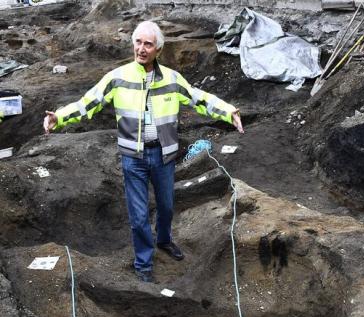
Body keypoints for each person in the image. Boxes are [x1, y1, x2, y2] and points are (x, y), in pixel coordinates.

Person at [43, 21, 244, 283]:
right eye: (138, 42)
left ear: (158, 49)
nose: (141, 48)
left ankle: (164, 240)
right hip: (133, 157)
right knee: (138, 217)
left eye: (148, 44)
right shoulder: (118, 78)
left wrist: (229, 112)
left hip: (164, 155)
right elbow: (88, 102)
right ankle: (144, 263)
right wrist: (59, 117)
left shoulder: (172, 79)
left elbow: (199, 99)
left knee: (166, 207)